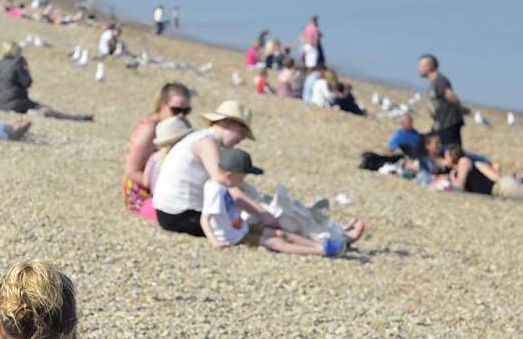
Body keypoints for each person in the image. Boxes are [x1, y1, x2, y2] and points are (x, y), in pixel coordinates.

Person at [203, 149, 362, 257]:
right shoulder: (215, 190)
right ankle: (321, 250)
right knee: (276, 242)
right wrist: (214, 241)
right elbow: (205, 218)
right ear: (230, 175)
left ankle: (323, 245)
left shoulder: (222, 186)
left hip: (241, 229)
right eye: (242, 177)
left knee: (281, 233)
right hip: (234, 238)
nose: (243, 181)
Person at [151, 100, 268, 238]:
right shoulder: (206, 142)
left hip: (170, 211)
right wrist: (263, 214)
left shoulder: (203, 138)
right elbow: (225, 183)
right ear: (229, 123)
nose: (242, 139)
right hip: (179, 214)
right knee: (245, 230)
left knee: (242, 222)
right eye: (242, 132)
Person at [123, 82, 192, 215]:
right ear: (162, 105)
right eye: (176, 110)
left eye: (186, 111)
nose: (181, 116)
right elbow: (132, 171)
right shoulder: (148, 130)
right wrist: (163, 186)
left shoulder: (177, 126)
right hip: (142, 193)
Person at [0, 45, 93, 121]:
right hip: (15, 103)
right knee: (43, 108)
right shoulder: (17, 64)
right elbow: (27, 83)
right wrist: (25, 69)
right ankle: (77, 118)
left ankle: (77, 117)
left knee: (35, 106)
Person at [442, 145, 523, 202]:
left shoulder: (464, 162)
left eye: (446, 156)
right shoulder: (474, 164)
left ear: (453, 156)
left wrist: (452, 178)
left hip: (502, 188)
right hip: (504, 185)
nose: (444, 158)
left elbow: (459, 187)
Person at [137, 114, 194, 220]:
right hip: (176, 207)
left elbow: (146, 182)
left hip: (152, 204)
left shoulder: (154, 157)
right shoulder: (182, 159)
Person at [419, 53, 466, 151]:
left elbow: (450, 95)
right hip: (441, 124)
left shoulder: (439, 80)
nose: (419, 68)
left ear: (430, 66)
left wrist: (462, 109)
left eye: (421, 65)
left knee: (453, 151)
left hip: (449, 123)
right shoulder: (434, 82)